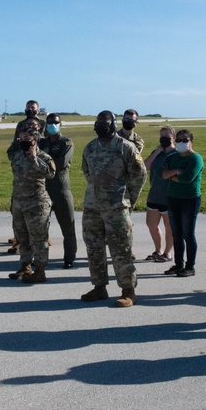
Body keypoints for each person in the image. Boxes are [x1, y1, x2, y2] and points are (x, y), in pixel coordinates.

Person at [79, 111, 147, 307]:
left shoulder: (126, 147)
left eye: (105, 123)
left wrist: (128, 199)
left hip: (116, 207)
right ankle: (99, 287)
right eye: (98, 122)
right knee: (93, 248)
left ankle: (128, 290)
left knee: (121, 249)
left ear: (114, 125)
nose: (101, 125)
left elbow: (139, 175)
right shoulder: (91, 147)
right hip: (92, 206)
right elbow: (87, 171)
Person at [8, 129, 56, 282]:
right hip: (19, 203)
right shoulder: (17, 156)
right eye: (20, 138)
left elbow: (50, 173)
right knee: (22, 238)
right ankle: (25, 266)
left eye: (26, 138)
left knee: (39, 239)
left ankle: (40, 270)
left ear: (35, 140)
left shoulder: (44, 157)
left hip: (37, 204)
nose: (23, 141)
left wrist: (33, 156)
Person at [162, 129, 204, 277]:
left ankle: (190, 266)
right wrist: (177, 171)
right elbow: (164, 174)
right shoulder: (173, 157)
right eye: (178, 140)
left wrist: (174, 174)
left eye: (185, 140)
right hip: (173, 198)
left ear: (191, 142)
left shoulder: (195, 158)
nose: (181, 143)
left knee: (188, 234)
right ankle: (178, 265)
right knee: (176, 234)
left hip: (190, 200)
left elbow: (187, 179)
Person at [38, 113, 78, 268]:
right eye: (49, 123)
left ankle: (69, 258)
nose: (52, 125)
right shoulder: (41, 142)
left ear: (60, 124)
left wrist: (44, 162)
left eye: (55, 123)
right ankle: (41, 259)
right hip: (43, 190)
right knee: (40, 229)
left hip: (61, 190)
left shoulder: (66, 142)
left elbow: (61, 163)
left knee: (68, 227)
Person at [143, 127, 176, 263]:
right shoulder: (157, 153)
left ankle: (168, 253)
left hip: (169, 195)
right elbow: (145, 166)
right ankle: (158, 250)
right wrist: (156, 152)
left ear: (173, 138)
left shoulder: (176, 154)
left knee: (169, 226)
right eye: (161, 136)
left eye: (167, 136)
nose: (164, 138)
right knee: (151, 224)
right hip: (154, 194)